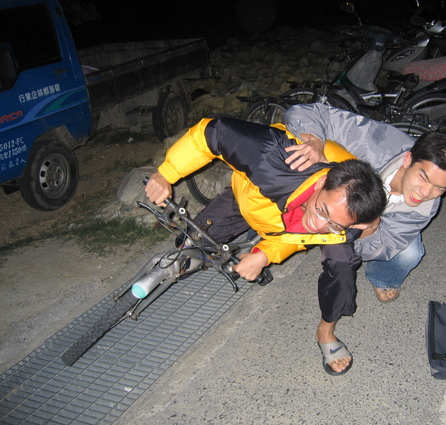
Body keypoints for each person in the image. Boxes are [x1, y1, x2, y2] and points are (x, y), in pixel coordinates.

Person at [144, 115, 387, 376]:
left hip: (286, 217)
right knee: (190, 242)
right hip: (252, 197)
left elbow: (300, 236)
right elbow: (212, 132)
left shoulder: (342, 221)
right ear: (320, 184)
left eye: (334, 224)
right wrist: (166, 173)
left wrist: (264, 254)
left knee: (342, 264)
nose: (318, 225)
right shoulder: (272, 158)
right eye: (322, 210)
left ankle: (325, 331)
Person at [284, 103, 446, 316]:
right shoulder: (375, 143)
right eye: (423, 177)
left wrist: (370, 228)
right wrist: (314, 141)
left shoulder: (425, 207)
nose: (425, 193)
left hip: (363, 226)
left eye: (440, 188)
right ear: (408, 159)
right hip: (320, 199)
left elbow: (384, 245)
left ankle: (380, 278)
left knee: (411, 253)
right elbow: (304, 111)